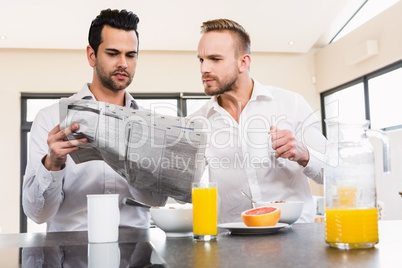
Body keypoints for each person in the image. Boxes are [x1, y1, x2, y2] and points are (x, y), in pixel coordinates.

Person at [23, 9, 167, 232]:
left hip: (137, 253)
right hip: (70, 253)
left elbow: (156, 201)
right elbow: (37, 214)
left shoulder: (151, 124)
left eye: (131, 55)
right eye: (112, 53)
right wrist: (52, 164)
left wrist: (136, 162)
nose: (124, 64)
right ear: (92, 55)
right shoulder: (50, 118)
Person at [191, 19, 326, 223]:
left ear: (243, 62)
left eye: (215, 59)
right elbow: (180, 189)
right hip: (232, 242)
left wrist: (305, 154)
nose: (204, 69)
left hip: (294, 238)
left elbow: (334, 174)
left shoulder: (291, 104)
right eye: (201, 60)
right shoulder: (197, 122)